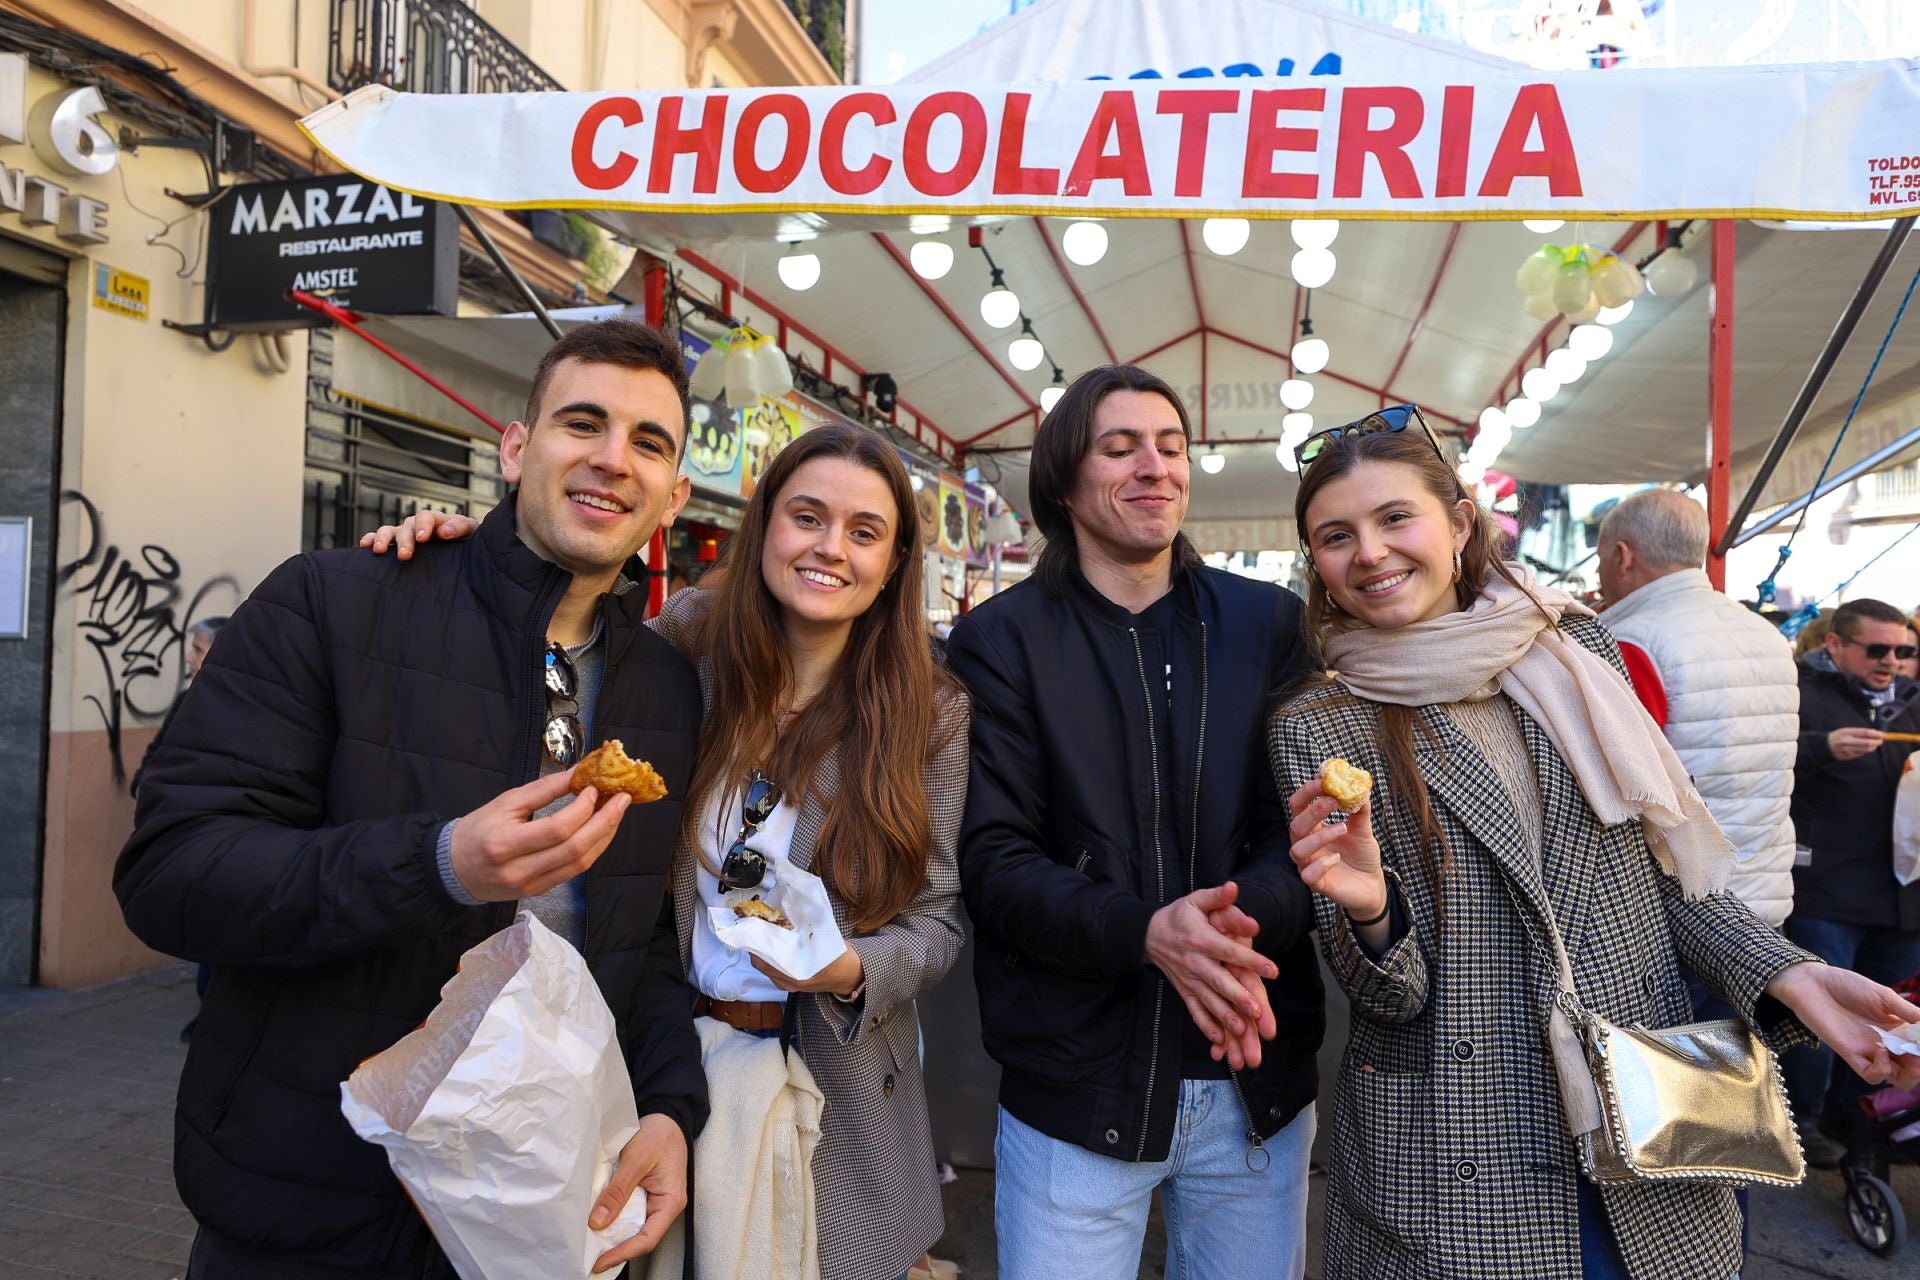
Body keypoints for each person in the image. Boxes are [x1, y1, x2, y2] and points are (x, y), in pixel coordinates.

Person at [1269, 406, 1920, 1280]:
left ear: (1460, 522)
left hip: (1645, 1105)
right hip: (1457, 1149)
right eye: (1336, 535)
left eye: (1395, 518)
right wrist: (1373, 913)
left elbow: (1661, 876)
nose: (1371, 553)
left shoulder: (1574, 652)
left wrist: (1785, 972)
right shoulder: (1320, 723)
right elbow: (1387, 999)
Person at [115, 320, 707, 1279]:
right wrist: (438, 867)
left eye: (648, 442)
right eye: (582, 423)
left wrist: (672, 1109)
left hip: (538, 1211)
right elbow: (168, 874)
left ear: (673, 496)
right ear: (517, 449)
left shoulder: (666, 692)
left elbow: (643, 949)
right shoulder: (334, 602)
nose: (611, 459)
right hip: (314, 1201)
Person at [370, 421, 970, 1280]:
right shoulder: (691, 641)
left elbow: (939, 922)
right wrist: (460, 554)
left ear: (895, 560)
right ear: (764, 528)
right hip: (660, 1071)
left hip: (836, 1094)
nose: (830, 548)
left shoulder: (930, 715)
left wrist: (846, 969)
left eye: (864, 531)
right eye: (807, 516)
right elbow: (563, 619)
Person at [943, 364, 1321, 1280]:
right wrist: (1146, 932)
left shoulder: (1267, 622)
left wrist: (1234, 927)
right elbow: (994, 858)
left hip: (1252, 1081)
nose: (1156, 467)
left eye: (1170, 446)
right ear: (1065, 482)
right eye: (1121, 449)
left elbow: (1299, 829)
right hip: (1075, 1083)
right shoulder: (1000, 640)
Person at [1596, 489, 1800, 943]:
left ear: (1622, 556)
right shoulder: (1765, 634)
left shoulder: (1630, 642)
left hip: (1683, 911)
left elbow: (1623, 790)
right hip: (1763, 897)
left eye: (1600, 561)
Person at [1781, 596, 1920, 1156]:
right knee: (1819, 1017)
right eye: (1878, 649)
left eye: (1903, 650)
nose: (1891, 660)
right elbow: (1751, 764)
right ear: (1835, 645)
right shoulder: (1800, 696)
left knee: (1892, 1016)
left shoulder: (1911, 702)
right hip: (1829, 889)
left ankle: (1855, 1118)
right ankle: (1802, 1120)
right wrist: (1819, 749)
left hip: (1902, 897)